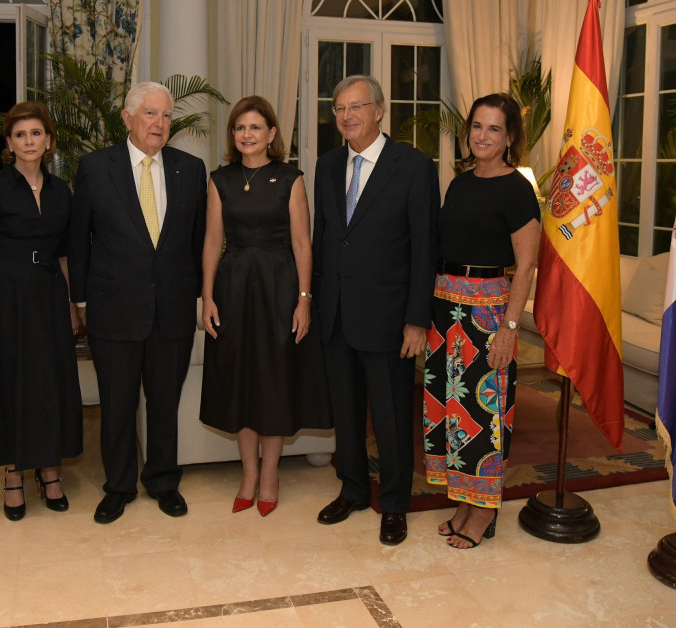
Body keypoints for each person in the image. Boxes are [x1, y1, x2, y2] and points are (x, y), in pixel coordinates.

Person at [69, 82, 206, 524]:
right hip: (113, 309)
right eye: (150, 114)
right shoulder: (95, 167)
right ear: (127, 118)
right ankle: (119, 487)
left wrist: (202, 296)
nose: (160, 123)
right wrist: (81, 303)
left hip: (173, 310)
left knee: (164, 403)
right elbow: (79, 241)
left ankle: (164, 482)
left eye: (166, 116)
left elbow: (199, 241)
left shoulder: (191, 168)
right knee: (118, 404)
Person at [313, 75, 439, 545]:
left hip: (389, 317)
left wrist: (416, 319)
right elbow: (324, 240)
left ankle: (394, 503)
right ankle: (351, 488)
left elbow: (424, 248)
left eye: (357, 107)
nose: (347, 116)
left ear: (379, 111)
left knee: (389, 415)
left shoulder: (413, 166)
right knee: (345, 413)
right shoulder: (327, 166)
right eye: (340, 108)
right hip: (337, 314)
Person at [200, 96, 331, 517]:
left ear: (272, 134)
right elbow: (211, 242)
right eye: (240, 128)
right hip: (234, 290)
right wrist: (207, 297)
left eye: (255, 128)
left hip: (280, 289)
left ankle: (271, 474)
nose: (247, 135)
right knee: (240, 381)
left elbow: (302, 243)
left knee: (274, 381)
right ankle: (249, 473)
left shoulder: (291, 178)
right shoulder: (219, 180)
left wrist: (304, 300)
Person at [0, 101, 83, 521]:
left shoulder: (61, 191)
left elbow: (65, 254)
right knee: (10, 385)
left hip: (48, 298)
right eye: (19, 135)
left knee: (49, 384)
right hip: (5, 300)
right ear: (9, 143)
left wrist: (71, 305)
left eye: (36, 133)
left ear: (48, 141)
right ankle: (13, 473)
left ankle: (49, 471)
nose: (28, 141)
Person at [424, 93, 540, 549]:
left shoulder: (517, 189)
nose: (482, 136)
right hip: (445, 314)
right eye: (477, 126)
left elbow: (526, 265)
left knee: (484, 416)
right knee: (452, 416)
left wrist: (509, 329)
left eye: (494, 128)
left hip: (488, 316)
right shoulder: (460, 183)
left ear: (510, 136)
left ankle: (482, 513)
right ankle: (463, 501)